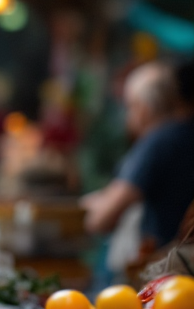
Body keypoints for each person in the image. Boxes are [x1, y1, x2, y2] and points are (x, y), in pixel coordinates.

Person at [83, 58, 194, 249]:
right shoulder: (181, 135)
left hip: (165, 265)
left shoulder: (158, 142)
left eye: (130, 106)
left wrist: (94, 205)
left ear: (144, 108)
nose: (128, 117)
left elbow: (101, 220)